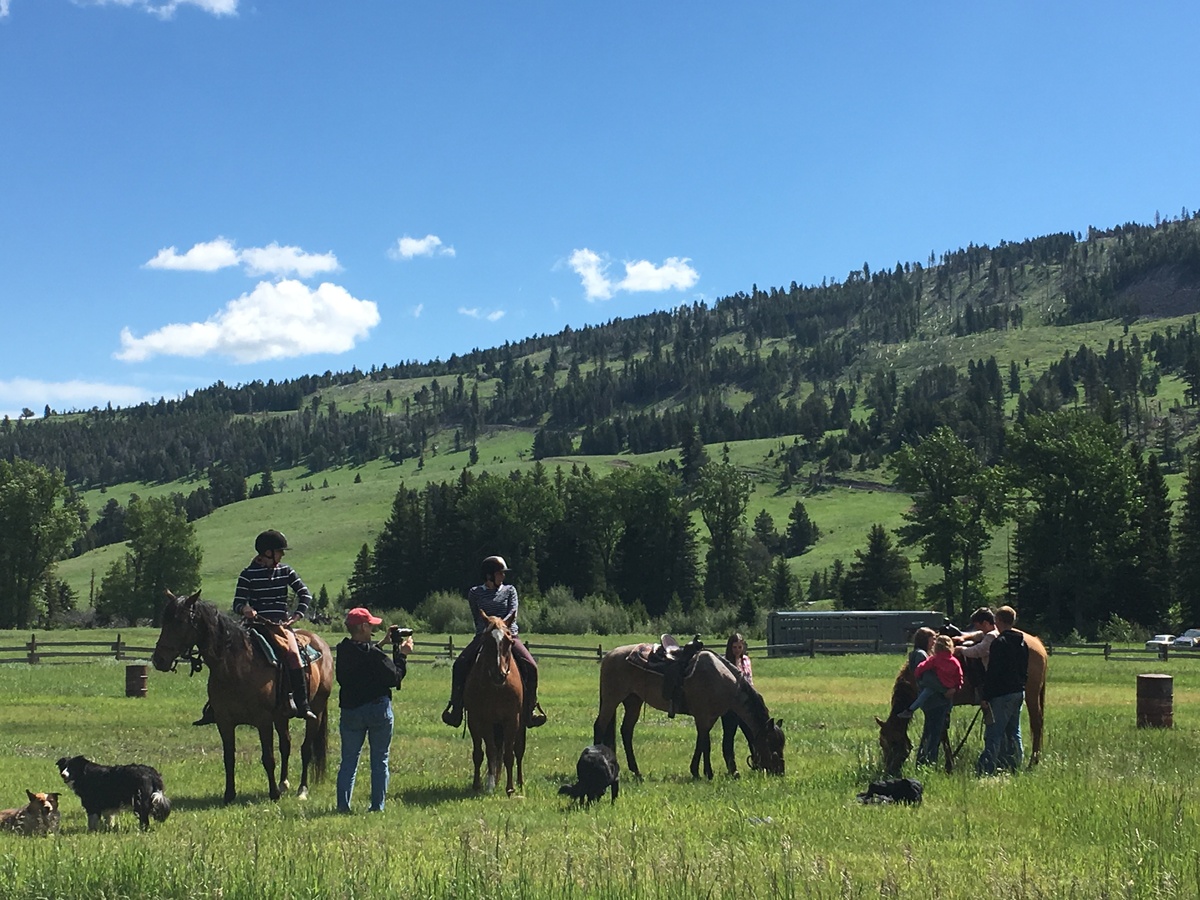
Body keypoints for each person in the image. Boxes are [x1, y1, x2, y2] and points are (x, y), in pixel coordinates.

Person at [193, 529, 316, 725]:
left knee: (293, 655)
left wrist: (297, 615)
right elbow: (238, 602)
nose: (282, 555)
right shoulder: (248, 574)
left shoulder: (286, 571)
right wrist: (245, 608)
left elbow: (305, 594)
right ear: (268, 552)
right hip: (252, 627)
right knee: (225, 656)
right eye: (279, 551)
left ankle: (301, 703)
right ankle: (214, 706)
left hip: (279, 626)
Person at [440, 555, 545, 729]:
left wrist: (501, 627)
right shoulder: (475, 593)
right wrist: (491, 629)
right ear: (489, 575)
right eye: (500, 573)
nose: (503, 576)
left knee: (531, 666)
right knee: (459, 665)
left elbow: (512, 613)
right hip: (485, 636)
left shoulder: (510, 590)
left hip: (509, 636)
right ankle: (456, 709)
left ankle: (530, 710)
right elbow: (478, 617)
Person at [335, 607, 412, 813]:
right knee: (380, 760)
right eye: (370, 625)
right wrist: (403, 655)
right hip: (378, 710)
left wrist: (383, 643)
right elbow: (394, 677)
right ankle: (377, 806)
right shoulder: (375, 655)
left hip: (351, 711)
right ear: (363, 627)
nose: (372, 629)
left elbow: (363, 656)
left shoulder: (343, 650)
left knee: (348, 761)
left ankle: (343, 806)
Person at [976, 605, 1029, 776]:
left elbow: (993, 672)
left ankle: (987, 768)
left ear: (998, 620)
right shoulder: (1022, 642)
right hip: (1018, 692)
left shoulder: (999, 643)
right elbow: (1024, 669)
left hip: (1001, 694)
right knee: (1014, 732)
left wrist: (986, 696)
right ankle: (1015, 766)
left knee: (994, 732)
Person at [899, 635, 963, 719]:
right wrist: (957, 687)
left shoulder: (934, 659)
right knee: (948, 702)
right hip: (949, 687)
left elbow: (922, 666)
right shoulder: (954, 661)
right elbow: (959, 675)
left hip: (938, 686)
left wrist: (917, 674)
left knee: (924, 695)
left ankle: (910, 710)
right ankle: (947, 713)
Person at [720, 632, 754, 767]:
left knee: (750, 733)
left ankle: (756, 760)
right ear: (730, 647)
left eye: (740, 647)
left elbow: (750, 680)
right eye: (734, 647)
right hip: (730, 705)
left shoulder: (746, 660)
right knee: (729, 734)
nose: (737, 650)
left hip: (745, 703)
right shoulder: (724, 662)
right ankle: (731, 765)